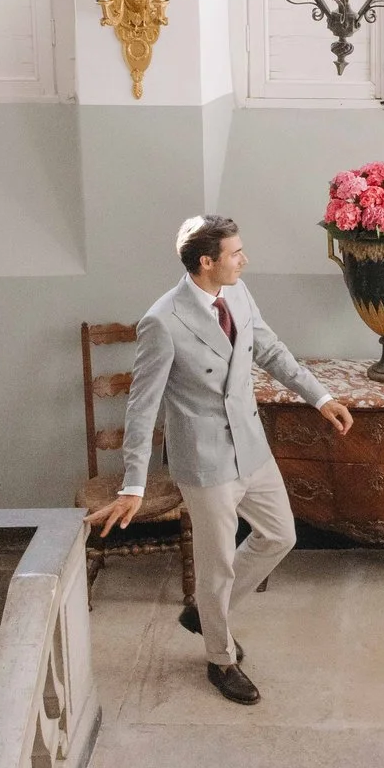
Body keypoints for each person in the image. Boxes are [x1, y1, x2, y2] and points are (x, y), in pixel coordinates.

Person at [85, 214, 353, 705]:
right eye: (235, 253)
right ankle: (220, 658)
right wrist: (132, 484)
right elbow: (142, 407)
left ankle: (207, 613)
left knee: (281, 535)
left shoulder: (239, 292)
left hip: (250, 443)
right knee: (217, 568)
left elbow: (269, 349)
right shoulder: (162, 321)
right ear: (206, 262)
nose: (244, 260)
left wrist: (319, 397)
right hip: (205, 460)